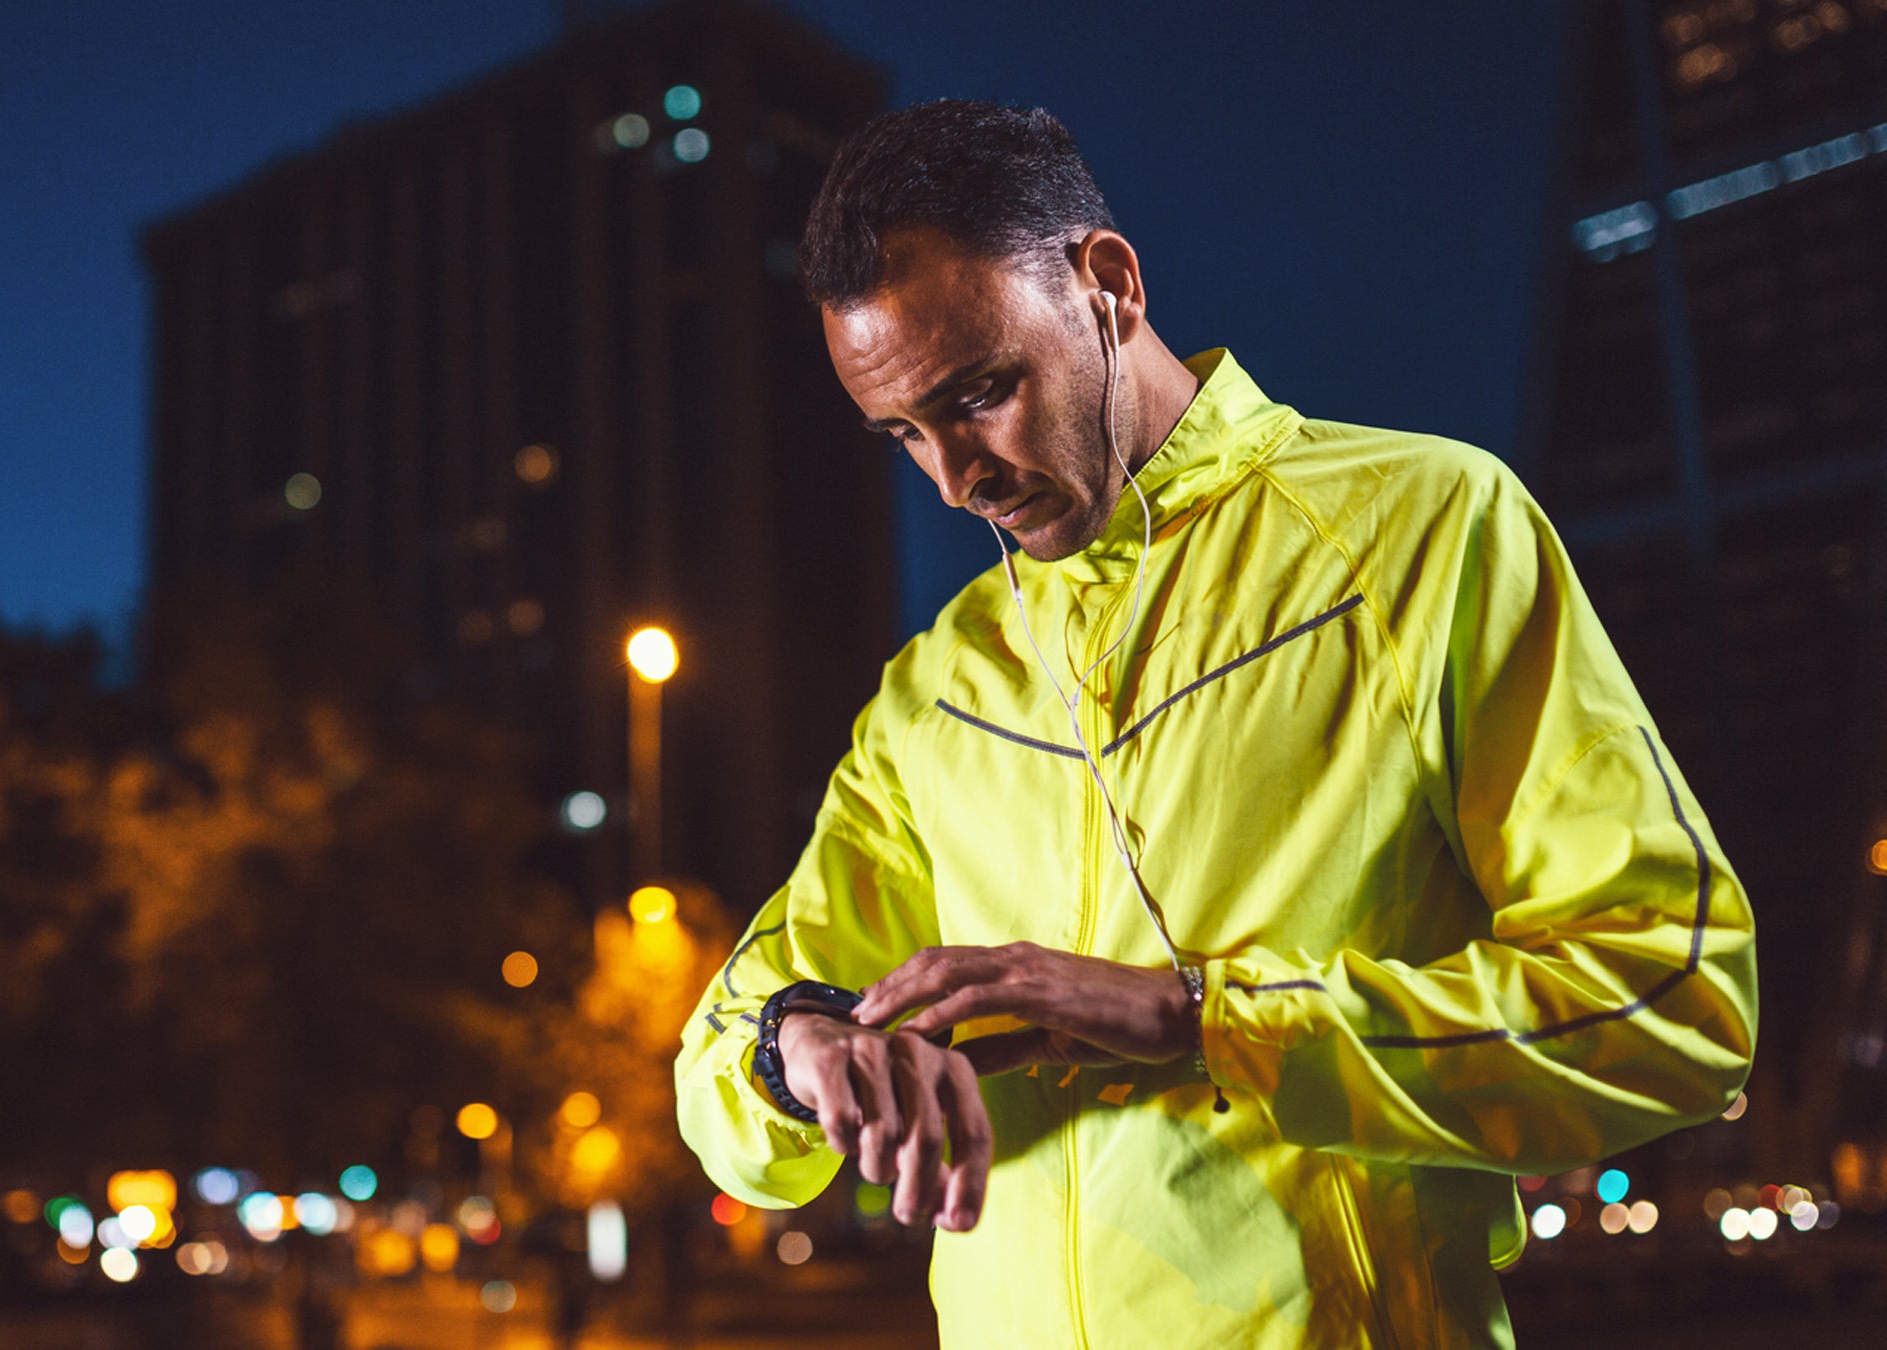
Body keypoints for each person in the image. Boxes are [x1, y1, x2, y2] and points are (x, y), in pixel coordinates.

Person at [673, 100, 1756, 1349]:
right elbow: (724, 1069)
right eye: (904, 434)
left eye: (979, 393)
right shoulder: (942, 685)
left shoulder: (1422, 534)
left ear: (1109, 286)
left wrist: (1209, 1023)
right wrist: (793, 1049)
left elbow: (1677, 999)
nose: (954, 478)